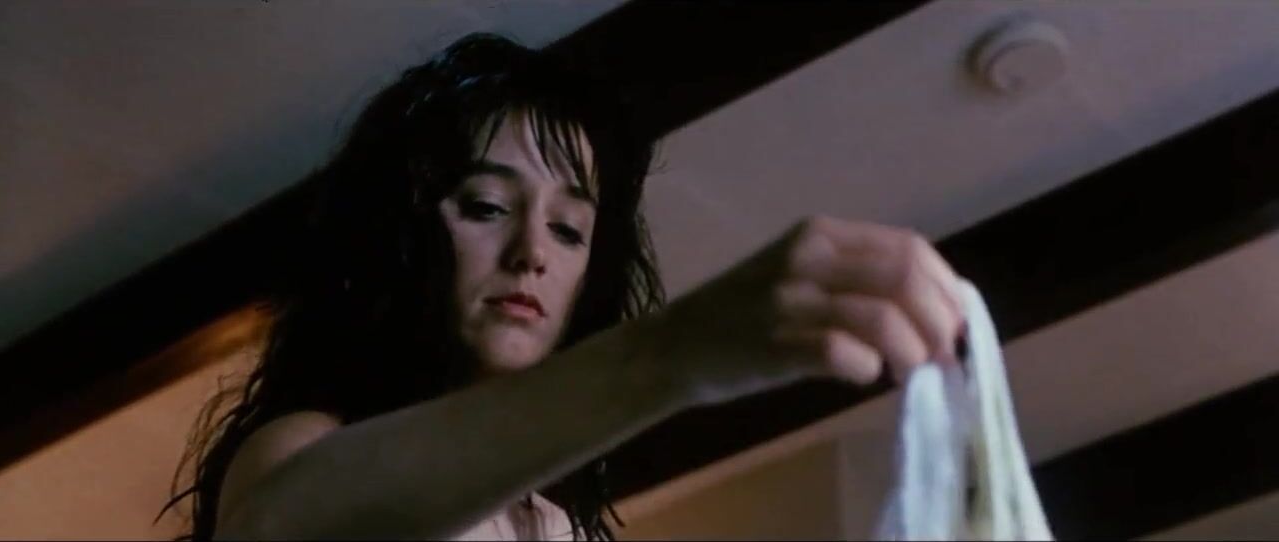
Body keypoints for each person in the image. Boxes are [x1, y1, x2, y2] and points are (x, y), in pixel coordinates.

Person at [159, 33, 966, 541]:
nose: (532, 254)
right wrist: (671, 352)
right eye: (487, 206)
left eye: (569, 229)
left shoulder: (558, 524)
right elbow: (290, 523)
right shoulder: (300, 448)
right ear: (401, 232)